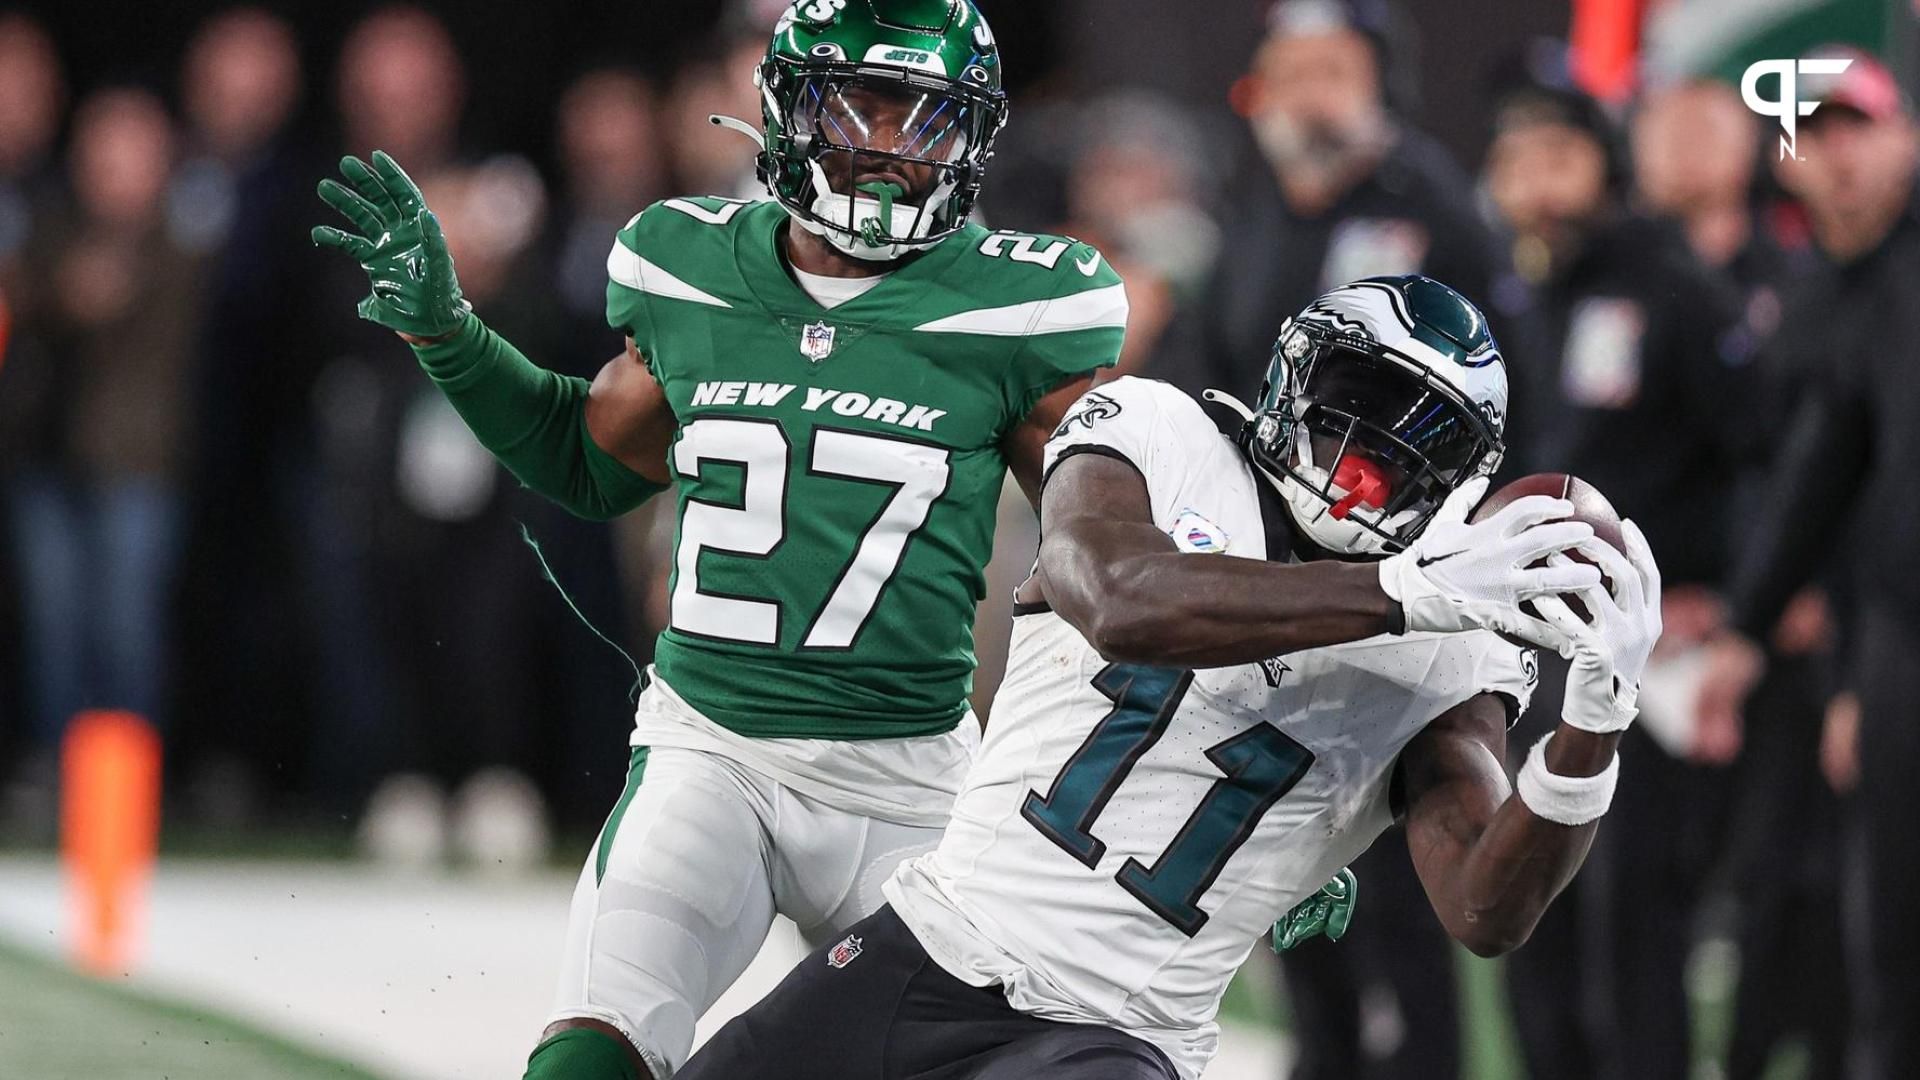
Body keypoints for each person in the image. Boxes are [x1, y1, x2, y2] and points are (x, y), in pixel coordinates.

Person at [309, 2, 1127, 1077]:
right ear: (788, 114)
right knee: (590, 1056)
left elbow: (1117, 572)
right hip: (716, 754)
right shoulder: (691, 265)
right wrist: (449, 335)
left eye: (921, 120)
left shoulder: (1019, 308)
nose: (885, 148)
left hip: (914, 785)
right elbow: (588, 463)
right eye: (858, 108)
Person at [672, 275, 1661, 1080]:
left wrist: (1593, 725)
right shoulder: (1162, 434)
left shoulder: (1448, 652)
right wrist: (1398, 588)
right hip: (927, 947)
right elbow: (1119, 600)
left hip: (1110, 1041)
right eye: (1356, 402)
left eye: (1416, 441)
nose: (1368, 454)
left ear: (1458, 485)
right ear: (1292, 374)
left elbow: (1488, 911)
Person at [1482, 65, 1761, 1080]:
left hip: (1639, 656)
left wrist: (1729, 598)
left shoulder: (1672, 287)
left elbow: (1762, 453)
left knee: (1630, 915)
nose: (1537, 184)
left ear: (1606, 168)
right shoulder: (1509, 293)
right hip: (1524, 650)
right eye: (1515, 162)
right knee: (1521, 908)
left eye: (1559, 159)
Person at [1696, 48, 1920, 1080]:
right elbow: (1821, 469)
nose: (1837, 156)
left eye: (1858, 129)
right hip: (1892, 638)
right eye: (1815, 132)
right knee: (1887, 943)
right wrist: (1751, 626)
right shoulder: (1834, 297)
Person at [1632, 75, 1849, 1080]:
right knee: (1630, 889)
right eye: (1666, 126)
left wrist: (1773, 598)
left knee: (1785, 884)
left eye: (1711, 126)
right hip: (1634, 635)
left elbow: (1818, 458)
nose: (1686, 147)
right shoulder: (1604, 276)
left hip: (1776, 629)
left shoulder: (1803, 280)